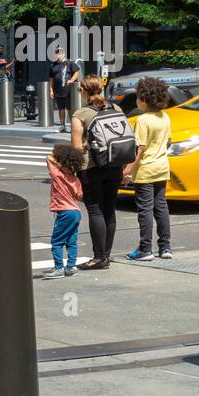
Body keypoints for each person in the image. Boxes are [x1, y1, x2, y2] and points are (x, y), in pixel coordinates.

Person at [71, 75, 124, 270]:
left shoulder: (81, 114)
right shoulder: (116, 108)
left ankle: (98, 257)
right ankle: (106, 256)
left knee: (95, 210)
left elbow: (76, 148)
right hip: (115, 165)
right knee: (109, 210)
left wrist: (71, 172)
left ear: (83, 91)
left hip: (91, 167)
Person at [124, 76, 173, 262]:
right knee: (161, 207)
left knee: (145, 210)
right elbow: (168, 142)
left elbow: (140, 150)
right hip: (162, 167)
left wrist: (128, 170)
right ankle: (165, 246)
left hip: (145, 170)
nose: (136, 100)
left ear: (144, 99)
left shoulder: (143, 120)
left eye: (137, 97)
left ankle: (145, 249)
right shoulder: (165, 117)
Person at [44, 144, 84, 278]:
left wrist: (61, 166)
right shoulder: (76, 179)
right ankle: (71, 266)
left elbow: (48, 158)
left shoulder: (57, 175)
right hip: (76, 212)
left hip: (64, 212)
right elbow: (79, 196)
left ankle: (58, 268)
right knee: (71, 241)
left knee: (57, 242)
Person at [49, 50, 81, 132]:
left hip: (69, 91)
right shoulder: (53, 65)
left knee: (70, 109)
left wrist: (72, 79)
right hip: (58, 91)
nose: (57, 55)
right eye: (56, 54)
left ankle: (73, 126)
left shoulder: (70, 63)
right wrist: (51, 90)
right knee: (61, 109)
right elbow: (51, 79)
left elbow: (77, 71)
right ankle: (62, 126)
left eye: (59, 54)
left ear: (63, 54)